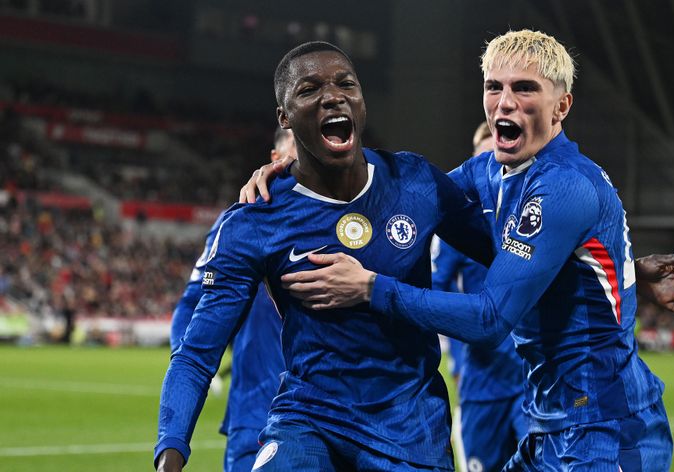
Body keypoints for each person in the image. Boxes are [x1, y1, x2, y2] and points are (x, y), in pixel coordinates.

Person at [276, 30, 674, 470]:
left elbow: (489, 320)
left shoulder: (564, 186)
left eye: (525, 88)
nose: (504, 102)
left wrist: (371, 287)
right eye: (494, 87)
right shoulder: (489, 171)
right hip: (551, 425)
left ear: (561, 106)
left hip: (607, 431)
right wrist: (295, 174)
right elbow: (394, 193)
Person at [155, 41, 496, 472]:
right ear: (285, 117)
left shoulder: (415, 182)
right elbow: (196, 352)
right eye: (309, 89)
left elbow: (503, 257)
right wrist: (171, 450)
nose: (333, 95)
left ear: (361, 100)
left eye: (345, 84)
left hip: (409, 426)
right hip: (309, 419)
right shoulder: (254, 220)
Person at [166, 126, 294, 472]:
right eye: (300, 144)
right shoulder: (240, 224)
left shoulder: (351, 220)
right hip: (254, 417)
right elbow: (190, 308)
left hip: (336, 415)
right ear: (276, 158)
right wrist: (191, 372)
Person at [433, 122, 527, 472]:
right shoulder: (459, 228)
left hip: (529, 378)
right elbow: (436, 290)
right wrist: (456, 356)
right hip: (482, 381)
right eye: (482, 159)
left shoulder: (529, 220)